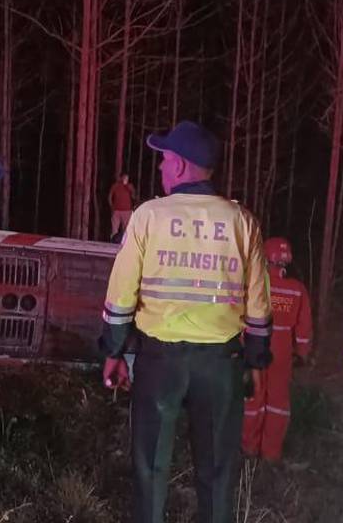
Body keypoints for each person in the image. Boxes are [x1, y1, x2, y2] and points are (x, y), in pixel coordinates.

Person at [99, 120, 272, 523]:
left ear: (178, 166)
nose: (159, 169)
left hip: (160, 363)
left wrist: (114, 351)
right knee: (216, 473)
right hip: (221, 365)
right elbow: (259, 304)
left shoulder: (149, 217)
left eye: (163, 161)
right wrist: (257, 361)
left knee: (151, 469)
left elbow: (121, 292)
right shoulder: (242, 221)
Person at [242, 237, 312, 462]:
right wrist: (302, 351)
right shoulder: (297, 290)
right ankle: (271, 453)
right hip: (282, 351)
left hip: (254, 347)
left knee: (253, 398)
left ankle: (248, 450)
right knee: (278, 402)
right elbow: (304, 327)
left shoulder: (254, 285)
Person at [109, 173, 138, 242]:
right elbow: (110, 196)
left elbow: (134, 196)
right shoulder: (115, 186)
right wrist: (112, 207)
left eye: (127, 178)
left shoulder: (130, 186)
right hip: (116, 211)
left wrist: (128, 188)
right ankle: (112, 243)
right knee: (114, 229)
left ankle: (124, 244)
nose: (125, 179)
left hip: (127, 211)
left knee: (126, 229)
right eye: (124, 178)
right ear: (121, 178)